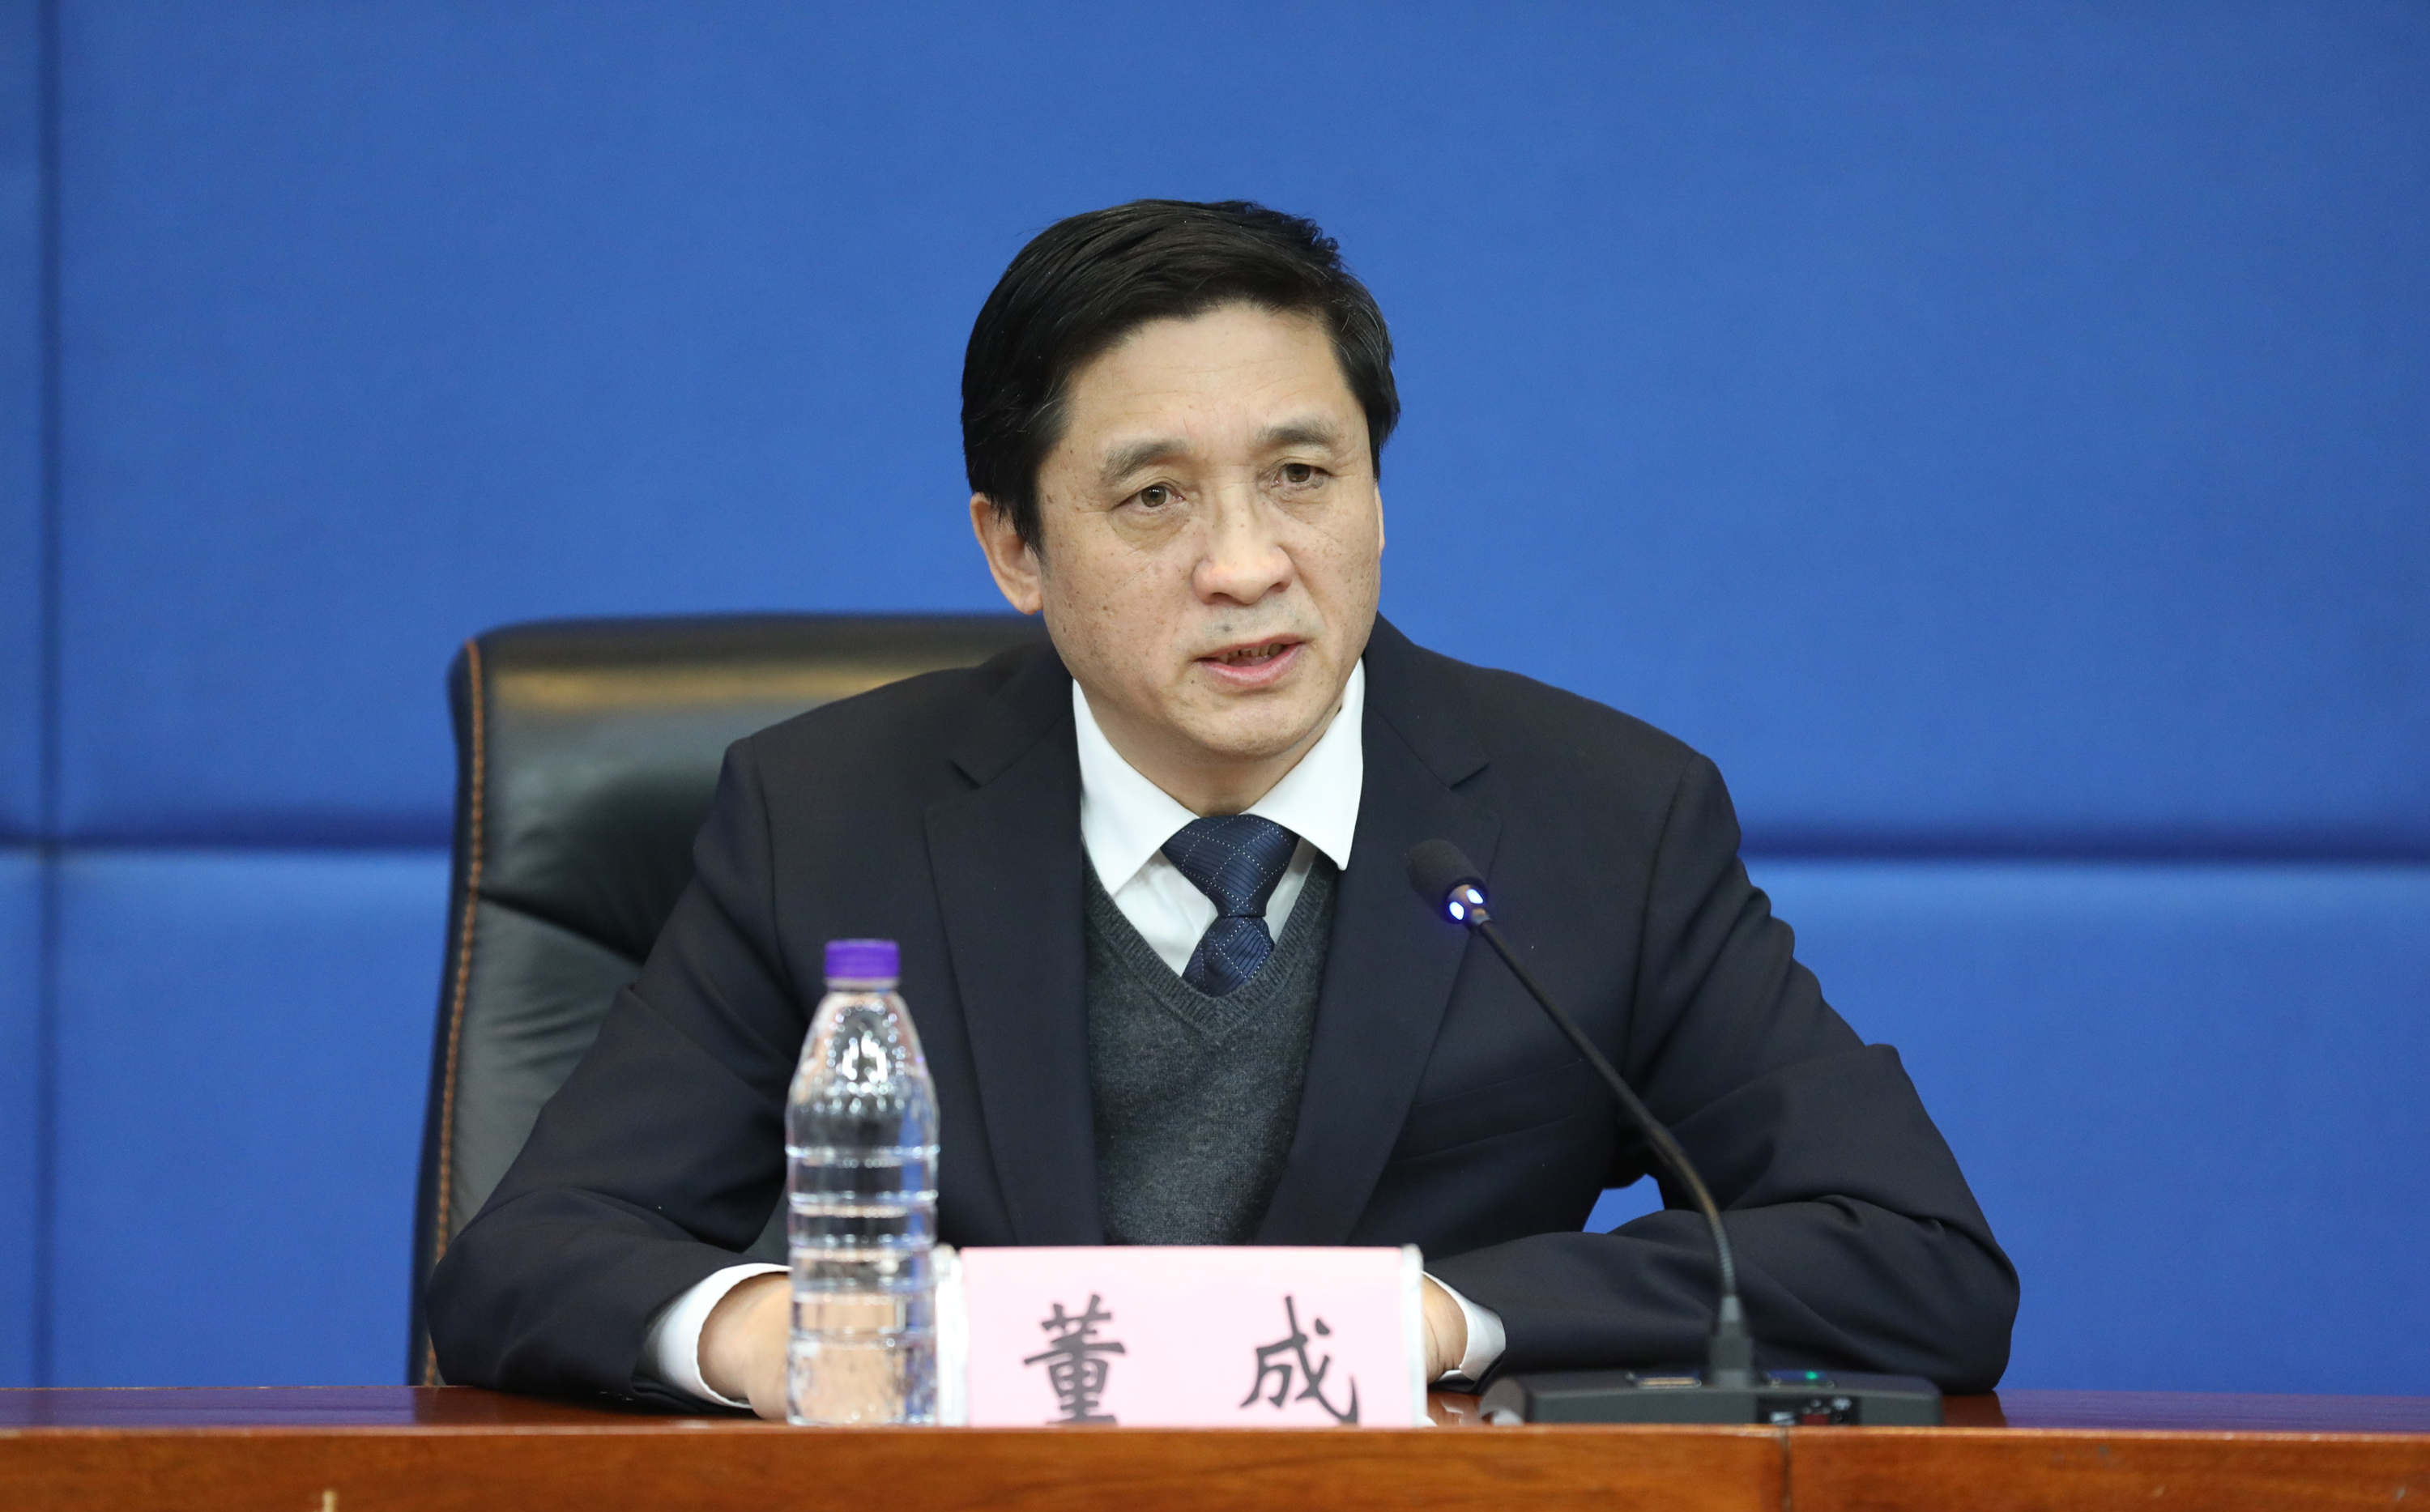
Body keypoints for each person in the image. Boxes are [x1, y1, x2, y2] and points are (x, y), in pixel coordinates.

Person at [427, 199, 2016, 1418]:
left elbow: (1917, 1257)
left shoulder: (1604, 817)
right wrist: (793, 1333)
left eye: (1303, 476)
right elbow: (527, 1259)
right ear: (1013, 547)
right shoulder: (829, 813)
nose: (1247, 565)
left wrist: (1443, 1315)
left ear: (1377, 494)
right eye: (1154, 497)